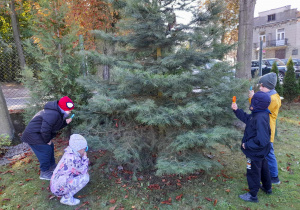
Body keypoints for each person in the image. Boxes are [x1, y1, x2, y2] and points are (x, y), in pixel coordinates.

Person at [232, 91, 272, 203]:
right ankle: (267, 188)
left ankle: (253, 195)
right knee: (264, 167)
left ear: (257, 103)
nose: (251, 101)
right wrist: (236, 110)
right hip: (261, 151)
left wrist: (247, 144)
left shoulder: (260, 118)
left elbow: (263, 140)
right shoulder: (259, 113)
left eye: (253, 99)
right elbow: (247, 119)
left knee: (253, 171)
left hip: (255, 151)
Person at [21, 96, 74, 180]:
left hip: (38, 133)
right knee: (45, 150)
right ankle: (44, 172)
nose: (70, 112)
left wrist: (65, 123)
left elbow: (54, 126)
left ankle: (52, 166)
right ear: (63, 108)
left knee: (50, 146)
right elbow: (45, 129)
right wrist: (47, 140)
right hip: (33, 135)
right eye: (69, 110)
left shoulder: (57, 113)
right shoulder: (53, 114)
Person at [249, 72, 281, 184]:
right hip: (263, 128)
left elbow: (255, 108)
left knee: (269, 153)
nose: (260, 88)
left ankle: (274, 177)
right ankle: (264, 172)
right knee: (264, 152)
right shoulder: (269, 96)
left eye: (262, 86)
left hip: (267, 130)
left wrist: (252, 98)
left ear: (269, 86)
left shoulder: (272, 99)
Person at [50, 134, 89, 206]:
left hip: (55, 185)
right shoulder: (74, 159)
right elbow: (84, 171)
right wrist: (85, 158)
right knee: (86, 177)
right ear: (79, 149)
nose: (85, 151)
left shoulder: (68, 153)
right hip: (59, 189)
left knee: (79, 175)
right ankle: (66, 198)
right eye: (85, 149)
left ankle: (63, 191)